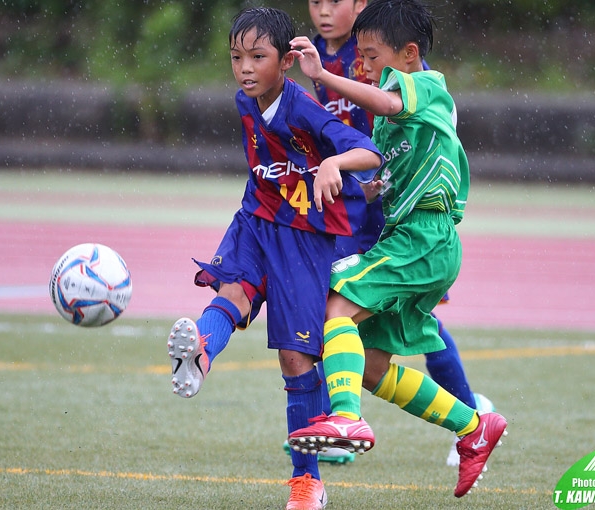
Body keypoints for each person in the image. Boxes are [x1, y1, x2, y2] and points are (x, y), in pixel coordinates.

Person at [287, 0, 507, 498]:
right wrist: (350, 182)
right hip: (408, 237)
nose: (362, 66)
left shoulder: (426, 86)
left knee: (336, 303)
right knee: (369, 366)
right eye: (359, 56)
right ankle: (474, 425)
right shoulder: (391, 116)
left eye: (371, 57)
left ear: (408, 54)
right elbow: (382, 172)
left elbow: (386, 104)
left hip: (424, 237)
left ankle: (345, 419)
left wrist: (322, 75)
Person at [167, 7, 383, 510]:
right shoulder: (245, 101)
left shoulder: (303, 109)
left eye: (257, 57)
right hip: (256, 221)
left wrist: (332, 163)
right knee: (233, 291)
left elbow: (369, 152)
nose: (245, 68)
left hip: (304, 237)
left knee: (295, 360)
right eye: (236, 57)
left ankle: (308, 482)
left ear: (285, 62)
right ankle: (201, 351)